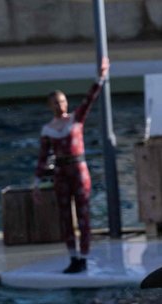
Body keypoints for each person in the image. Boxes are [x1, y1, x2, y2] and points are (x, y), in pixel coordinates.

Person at [34, 57, 109, 274]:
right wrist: (37, 182)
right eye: (56, 102)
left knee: (83, 213)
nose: (61, 105)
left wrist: (101, 78)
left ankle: (84, 257)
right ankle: (73, 257)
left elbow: (89, 99)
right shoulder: (47, 129)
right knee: (65, 216)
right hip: (60, 172)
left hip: (79, 169)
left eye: (64, 101)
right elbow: (42, 156)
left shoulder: (76, 119)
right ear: (50, 106)